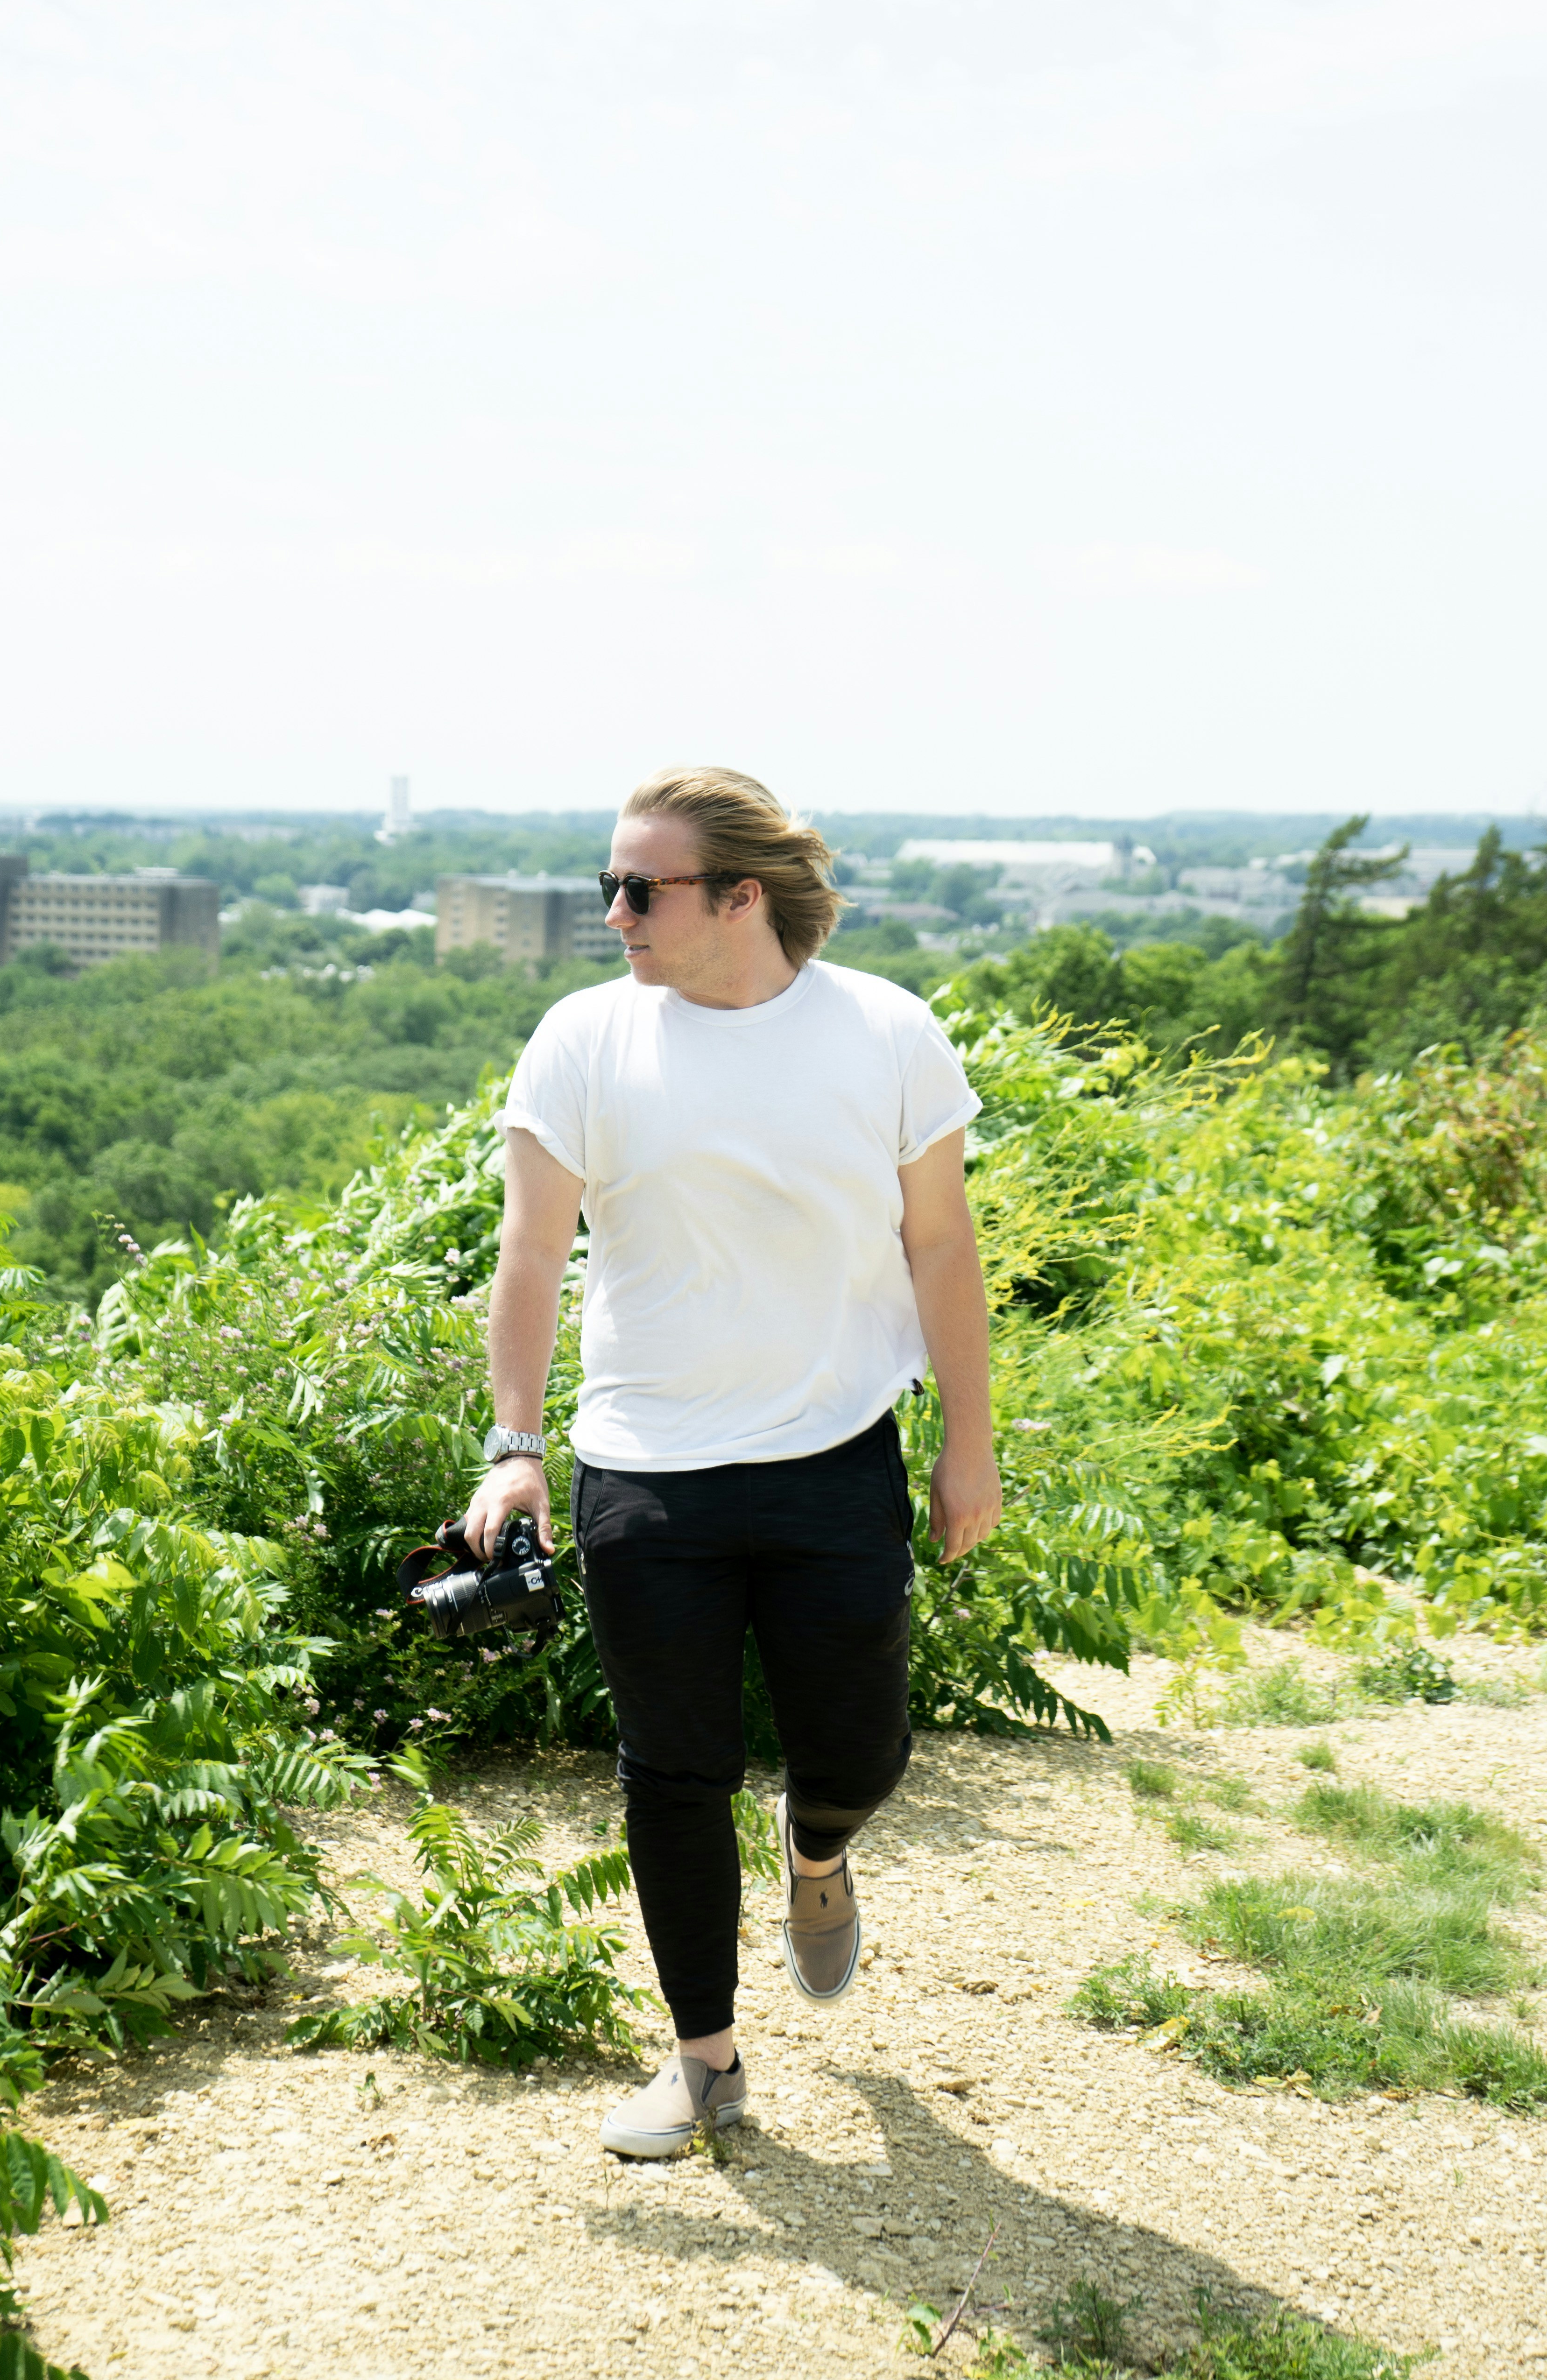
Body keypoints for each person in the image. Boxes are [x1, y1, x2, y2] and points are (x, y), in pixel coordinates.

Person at [462, 765, 1001, 2157]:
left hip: (833, 1455)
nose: (616, 913)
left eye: (643, 889)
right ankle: (705, 2061)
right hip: (645, 1470)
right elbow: (529, 1254)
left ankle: (818, 1851)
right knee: (673, 1773)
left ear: (741, 897)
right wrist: (512, 1449)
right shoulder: (584, 1040)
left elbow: (940, 1246)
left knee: (861, 1751)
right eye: (609, 887)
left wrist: (969, 1443)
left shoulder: (886, 1032)